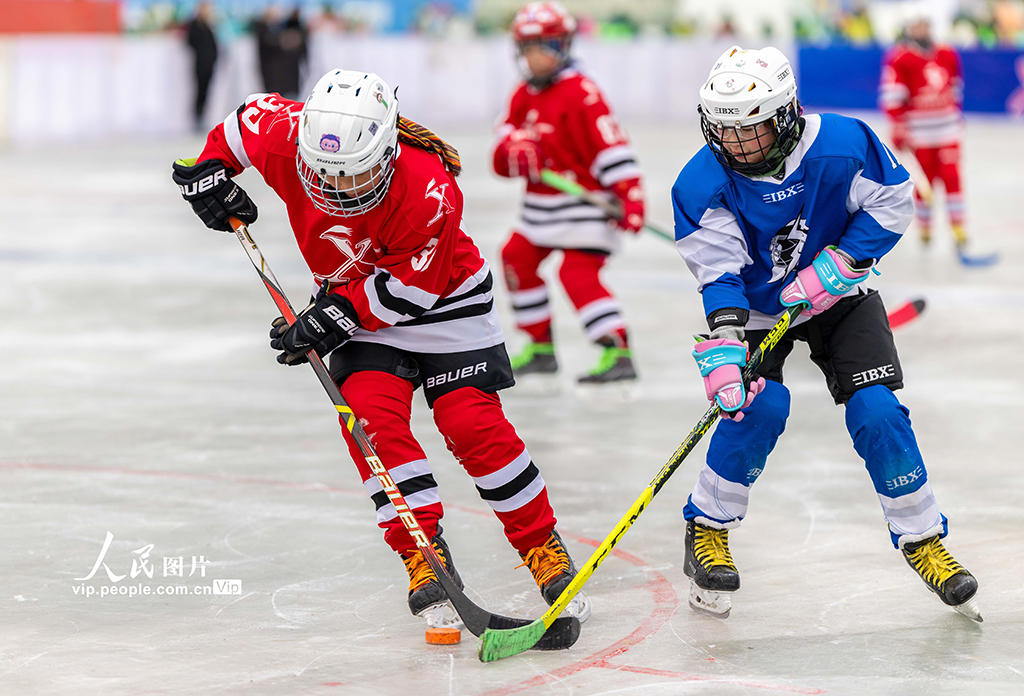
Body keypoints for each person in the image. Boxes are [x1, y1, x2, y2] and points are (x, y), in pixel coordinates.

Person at [171, 69, 591, 627]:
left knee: (470, 424)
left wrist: (326, 320)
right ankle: (423, 554)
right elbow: (237, 126)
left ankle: (541, 545)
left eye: (356, 175)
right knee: (369, 422)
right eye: (326, 175)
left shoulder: (429, 185)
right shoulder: (284, 133)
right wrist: (210, 173)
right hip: (358, 306)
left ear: (389, 151)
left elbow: (411, 290)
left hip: (445, 302)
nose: (338, 191)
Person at [671, 46, 980, 622]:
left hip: (840, 290)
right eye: (725, 131)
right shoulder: (699, 184)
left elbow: (892, 201)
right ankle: (707, 526)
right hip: (762, 307)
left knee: (878, 410)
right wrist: (725, 340)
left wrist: (846, 258)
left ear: (786, 115)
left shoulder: (842, 144)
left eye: (752, 130)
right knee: (756, 409)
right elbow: (719, 272)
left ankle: (923, 539)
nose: (737, 145)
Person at [492, 1, 645, 386]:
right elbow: (500, 146)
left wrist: (631, 197)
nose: (534, 55)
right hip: (540, 212)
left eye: (544, 44)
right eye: (526, 47)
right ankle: (541, 347)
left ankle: (618, 349)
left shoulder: (582, 93)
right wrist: (513, 147)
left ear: (564, 45)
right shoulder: (522, 94)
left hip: (586, 209)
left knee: (576, 274)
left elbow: (613, 147)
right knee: (515, 256)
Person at [880, 16, 969, 251]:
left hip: (947, 130)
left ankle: (959, 229)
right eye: (917, 24)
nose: (922, 29)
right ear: (909, 27)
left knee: (952, 178)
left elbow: (956, 88)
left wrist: (956, 114)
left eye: (926, 24)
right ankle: (925, 228)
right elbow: (892, 95)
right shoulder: (899, 58)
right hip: (919, 135)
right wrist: (898, 127)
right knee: (924, 184)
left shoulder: (947, 53)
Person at [184, 1, 218, 131]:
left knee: (207, 91)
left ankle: (203, 115)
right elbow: (190, 42)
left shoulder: (209, 26)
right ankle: (197, 116)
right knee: (199, 90)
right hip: (200, 64)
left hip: (210, 64)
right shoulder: (194, 25)